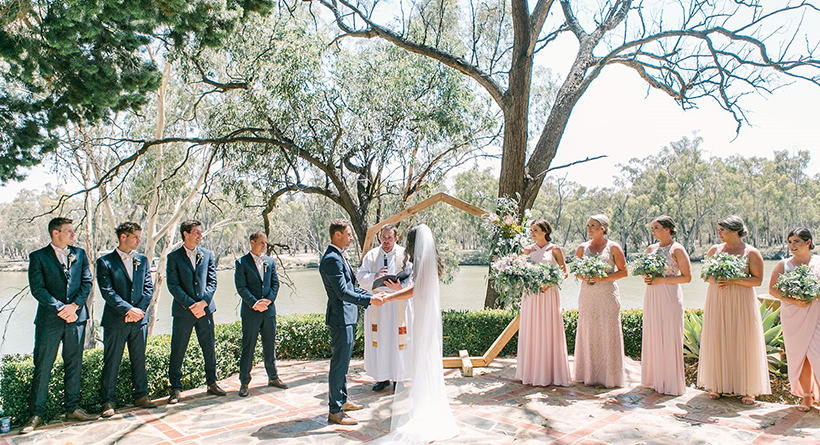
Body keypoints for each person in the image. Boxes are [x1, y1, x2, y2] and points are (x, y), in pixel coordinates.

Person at [374, 224, 459, 444]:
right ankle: (427, 402)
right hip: (426, 312)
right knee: (425, 357)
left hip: (422, 315)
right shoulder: (428, 262)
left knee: (423, 356)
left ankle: (425, 406)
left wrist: (390, 297)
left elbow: (415, 290)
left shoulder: (422, 263)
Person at [22, 217, 96, 434]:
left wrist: (73, 307)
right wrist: (60, 309)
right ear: (55, 233)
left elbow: (87, 282)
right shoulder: (38, 257)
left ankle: (72, 407)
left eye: (73, 231)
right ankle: (36, 413)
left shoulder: (80, 254)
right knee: (43, 365)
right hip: (50, 320)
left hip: (76, 318)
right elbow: (38, 289)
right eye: (69, 231)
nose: (73, 234)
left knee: (74, 363)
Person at [698, 215, 770, 404]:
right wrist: (716, 280)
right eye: (719, 229)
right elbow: (705, 275)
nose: (719, 233)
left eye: (723, 230)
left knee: (743, 339)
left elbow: (757, 280)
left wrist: (733, 280)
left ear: (735, 231)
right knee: (718, 337)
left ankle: (747, 388)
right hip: (718, 298)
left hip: (742, 300)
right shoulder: (714, 250)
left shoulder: (752, 252)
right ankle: (717, 384)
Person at [319, 219, 384, 425]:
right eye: (348, 234)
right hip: (340, 318)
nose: (350, 238)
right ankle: (335, 411)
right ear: (337, 235)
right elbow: (342, 293)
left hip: (347, 316)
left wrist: (369, 296)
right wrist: (368, 300)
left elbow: (351, 286)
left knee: (343, 363)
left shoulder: (339, 256)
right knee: (338, 365)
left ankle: (343, 400)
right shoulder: (332, 259)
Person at [97, 222, 157, 418]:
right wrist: (128, 309)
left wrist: (139, 310)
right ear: (123, 237)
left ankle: (141, 395)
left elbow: (149, 288)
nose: (139, 240)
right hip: (116, 320)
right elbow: (107, 292)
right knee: (112, 361)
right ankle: (108, 401)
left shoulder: (142, 260)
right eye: (135, 237)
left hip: (139, 319)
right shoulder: (105, 262)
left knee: (139, 359)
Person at [166, 219, 225, 404]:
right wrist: (192, 305)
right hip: (184, 312)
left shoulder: (207, 254)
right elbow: (173, 285)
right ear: (186, 234)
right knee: (178, 349)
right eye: (197, 232)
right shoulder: (173, 257)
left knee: (209, 347)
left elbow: (212, 281)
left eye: (200, 232)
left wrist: (203, 303)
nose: (200, 236)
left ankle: (212, 382)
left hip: (205, 311)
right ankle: (175, 389)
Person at [768, 228, 820, 412]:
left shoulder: (819, 262)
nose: (792, 246)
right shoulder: (783, 265)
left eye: (796, 241)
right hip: (793, 315)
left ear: (808, 242)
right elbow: (773, 290)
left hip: (817, 314)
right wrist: (794, 301)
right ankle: (807, 397)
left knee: (817, 354)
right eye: (789, 242)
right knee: (801, 356)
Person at [357, 224, 413, 392]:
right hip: (378, 305)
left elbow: (413, 277)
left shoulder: (405, 255)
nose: (386, 241)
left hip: (398, 304)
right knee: (380, 341)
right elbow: (360, 277)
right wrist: (376, 276)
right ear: (379, 238)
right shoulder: (371, 255)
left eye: (389, 238)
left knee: (397, 341)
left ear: (396, 238)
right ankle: (382, 377)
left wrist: (399, 288)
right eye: (383, 237)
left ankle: (398, 377)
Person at [573, 214, 627, 388]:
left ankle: (610, 377)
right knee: (588, 331)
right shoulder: (582, 248)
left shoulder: (613, 247)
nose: (588, 228)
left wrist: (602, 278)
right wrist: (586, 277)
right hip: (587, 296)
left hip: (607, 295)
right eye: (588, 225)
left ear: (602, 228)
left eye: (593, 226)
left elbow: (623, 272)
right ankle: (587, 374)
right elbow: (576, 271)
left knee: (608, 331)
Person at [640, 216, 691, 396]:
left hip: (669, 296)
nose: (653, 231)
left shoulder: (677, 249)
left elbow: (687, 277)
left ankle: (670, 382)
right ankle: (654, 379)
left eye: (656, 227)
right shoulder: (651, 249)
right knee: (653, 333)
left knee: (669, 334)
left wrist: (662, 279)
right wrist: (646, 277)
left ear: (667, 229)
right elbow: (645, 271)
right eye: (652, 228)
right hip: (652, 295)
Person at [516, 219, 571, 387]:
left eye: (535, 230)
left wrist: (550, 283)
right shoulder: (526, 250)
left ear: (545, 232)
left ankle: (550, 372)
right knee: (531, 328)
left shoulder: (555, 249)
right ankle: (531, 372)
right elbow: (520, 270)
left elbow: (564, 273)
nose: (532, 233)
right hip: (531, 296)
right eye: (531, 230)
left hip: (548, 294)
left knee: (548, 328)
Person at [234, 230, 288, 397]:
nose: (265, 246)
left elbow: (275, 284)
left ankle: (273, 377)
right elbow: (241, 287)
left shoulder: (270, 262)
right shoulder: (241, 263)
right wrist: (255, 303)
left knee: (269, 346)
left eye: (266, 243)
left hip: (269, 311)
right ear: (252, 242)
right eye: (261, 243)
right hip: (251, 312)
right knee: (248, 347)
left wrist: (269, 301)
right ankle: (244, 382)